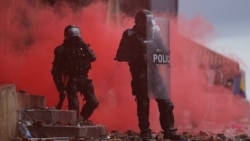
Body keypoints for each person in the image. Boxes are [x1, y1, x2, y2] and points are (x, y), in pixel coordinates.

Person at [115, 9, 182, 140]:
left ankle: (169, 131)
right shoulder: (130, 35)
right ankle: (145, 131)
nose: (150, 25)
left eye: (151, 23)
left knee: (166, 103)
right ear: (139, 23)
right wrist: (140, 57)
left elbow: (163, 50)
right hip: (140, 75)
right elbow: (120, 55)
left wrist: (163, 56)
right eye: (147, 23)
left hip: (155, 74)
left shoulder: (154, 34)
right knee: (143, 104)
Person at [51, 25, 99, 124]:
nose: (75, 38)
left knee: (93, 102)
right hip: (71, 80)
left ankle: (81, 120)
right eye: (72, 35)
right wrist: (60, 88)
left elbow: (93, 57)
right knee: (74, 107)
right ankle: (74, 125)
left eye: (76, 35)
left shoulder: (84, 47)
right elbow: (56, 71)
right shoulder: (61, 50)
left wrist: (84, 45)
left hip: (84, 79)